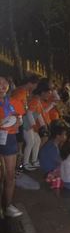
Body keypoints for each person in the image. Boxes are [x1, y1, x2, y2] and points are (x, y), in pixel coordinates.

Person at [0, 76, 22, 217]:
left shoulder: (14, 101)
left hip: (9, 139)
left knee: (10, 174)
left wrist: (17, 122)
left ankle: (7, 205)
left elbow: (19, 119)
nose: (2, 86)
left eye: (4, 83)